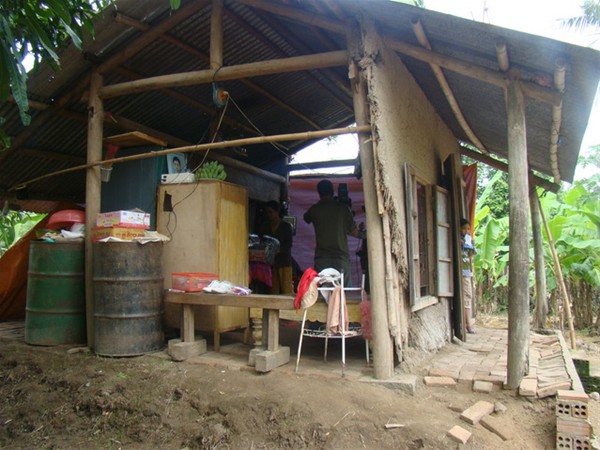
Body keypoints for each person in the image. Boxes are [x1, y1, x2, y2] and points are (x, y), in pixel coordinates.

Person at [303, 179, 360, 285]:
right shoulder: (343, 208)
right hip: (341, 257)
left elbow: (306, 218)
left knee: (322, 290)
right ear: (333, 191)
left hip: (322, 258)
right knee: (344, 290)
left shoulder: (314, 209)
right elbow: (355, 232)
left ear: (319, 192)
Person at [259, 200, 294, 295]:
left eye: (270, 212)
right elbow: (262, 241)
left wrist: (277, 251)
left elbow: (288, 244)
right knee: (273, 290)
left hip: (284, 262)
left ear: (277, 211)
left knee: (286, 289)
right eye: (267, 213)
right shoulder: (265, 226)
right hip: (271, 264)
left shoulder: (286, 226)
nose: (269, 215)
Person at [461, 218, 477, 334]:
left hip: (466, 272)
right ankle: (468, 324)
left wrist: (471, 245)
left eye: (468, 229)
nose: (466, 231)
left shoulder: (467, 240)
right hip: (462, 273)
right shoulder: (457, 240)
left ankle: (467, 323)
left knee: (467, 297)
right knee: (467, 296)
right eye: (464, 229)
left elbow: (471, 255)